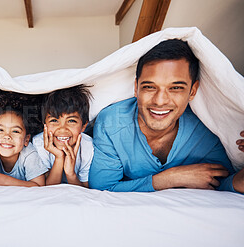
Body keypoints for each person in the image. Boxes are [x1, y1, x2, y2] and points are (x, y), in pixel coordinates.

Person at [89, 39, 244, 193]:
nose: (160, 101)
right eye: (149, 87)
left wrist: (238, 181)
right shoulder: (111, 123)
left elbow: (221, 182)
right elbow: (103, 189)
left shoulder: (206, 130)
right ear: (136, 88)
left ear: (192, 91)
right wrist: (170, 178)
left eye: (175, 88)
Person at [32, 85, 93, 187]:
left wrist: (70, 173)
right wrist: (59, 158)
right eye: (54, 120)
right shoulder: (38, 144)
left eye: (71, 121)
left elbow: (85, 190)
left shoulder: (88, 147)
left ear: (83, 126)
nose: (62, 129)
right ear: (44, 125)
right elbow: (47, 189)